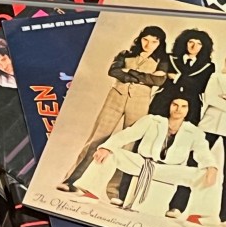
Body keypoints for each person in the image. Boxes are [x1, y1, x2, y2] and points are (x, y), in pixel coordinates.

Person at [58, 26, 169, 195]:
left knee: (128, 145)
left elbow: (158, 80)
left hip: (140, 102)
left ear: (160, 43)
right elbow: (114, 71)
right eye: (146, 40)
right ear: (140, 39)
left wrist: (129, 72)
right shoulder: (125, 54)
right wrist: (141, 77)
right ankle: (70, 180)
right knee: (96, 139)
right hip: (115, 97)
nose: (148, 44)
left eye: (154, 42)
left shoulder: (162, 61)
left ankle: (114, 191)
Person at [73, 98, 221, 224]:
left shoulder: (194, 132)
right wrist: (106, 147)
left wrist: (211, 166)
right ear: (168, 105)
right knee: (110, 152)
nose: (178, 109)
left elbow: (203, 153)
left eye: (184, 106)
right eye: (175, 104)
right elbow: (127, 134)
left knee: (209, 174)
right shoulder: (152, 120)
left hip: (169, 170)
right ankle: (91, 193)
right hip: (143, 163)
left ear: (189, 109)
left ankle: (197, 216)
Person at [199, 57, 226, 223]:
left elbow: (217, 100)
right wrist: (219, 99)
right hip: (209, 124)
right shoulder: (216, 77)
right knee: (194, 163)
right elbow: (210, 98)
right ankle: (178, 206)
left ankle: (225, 216)